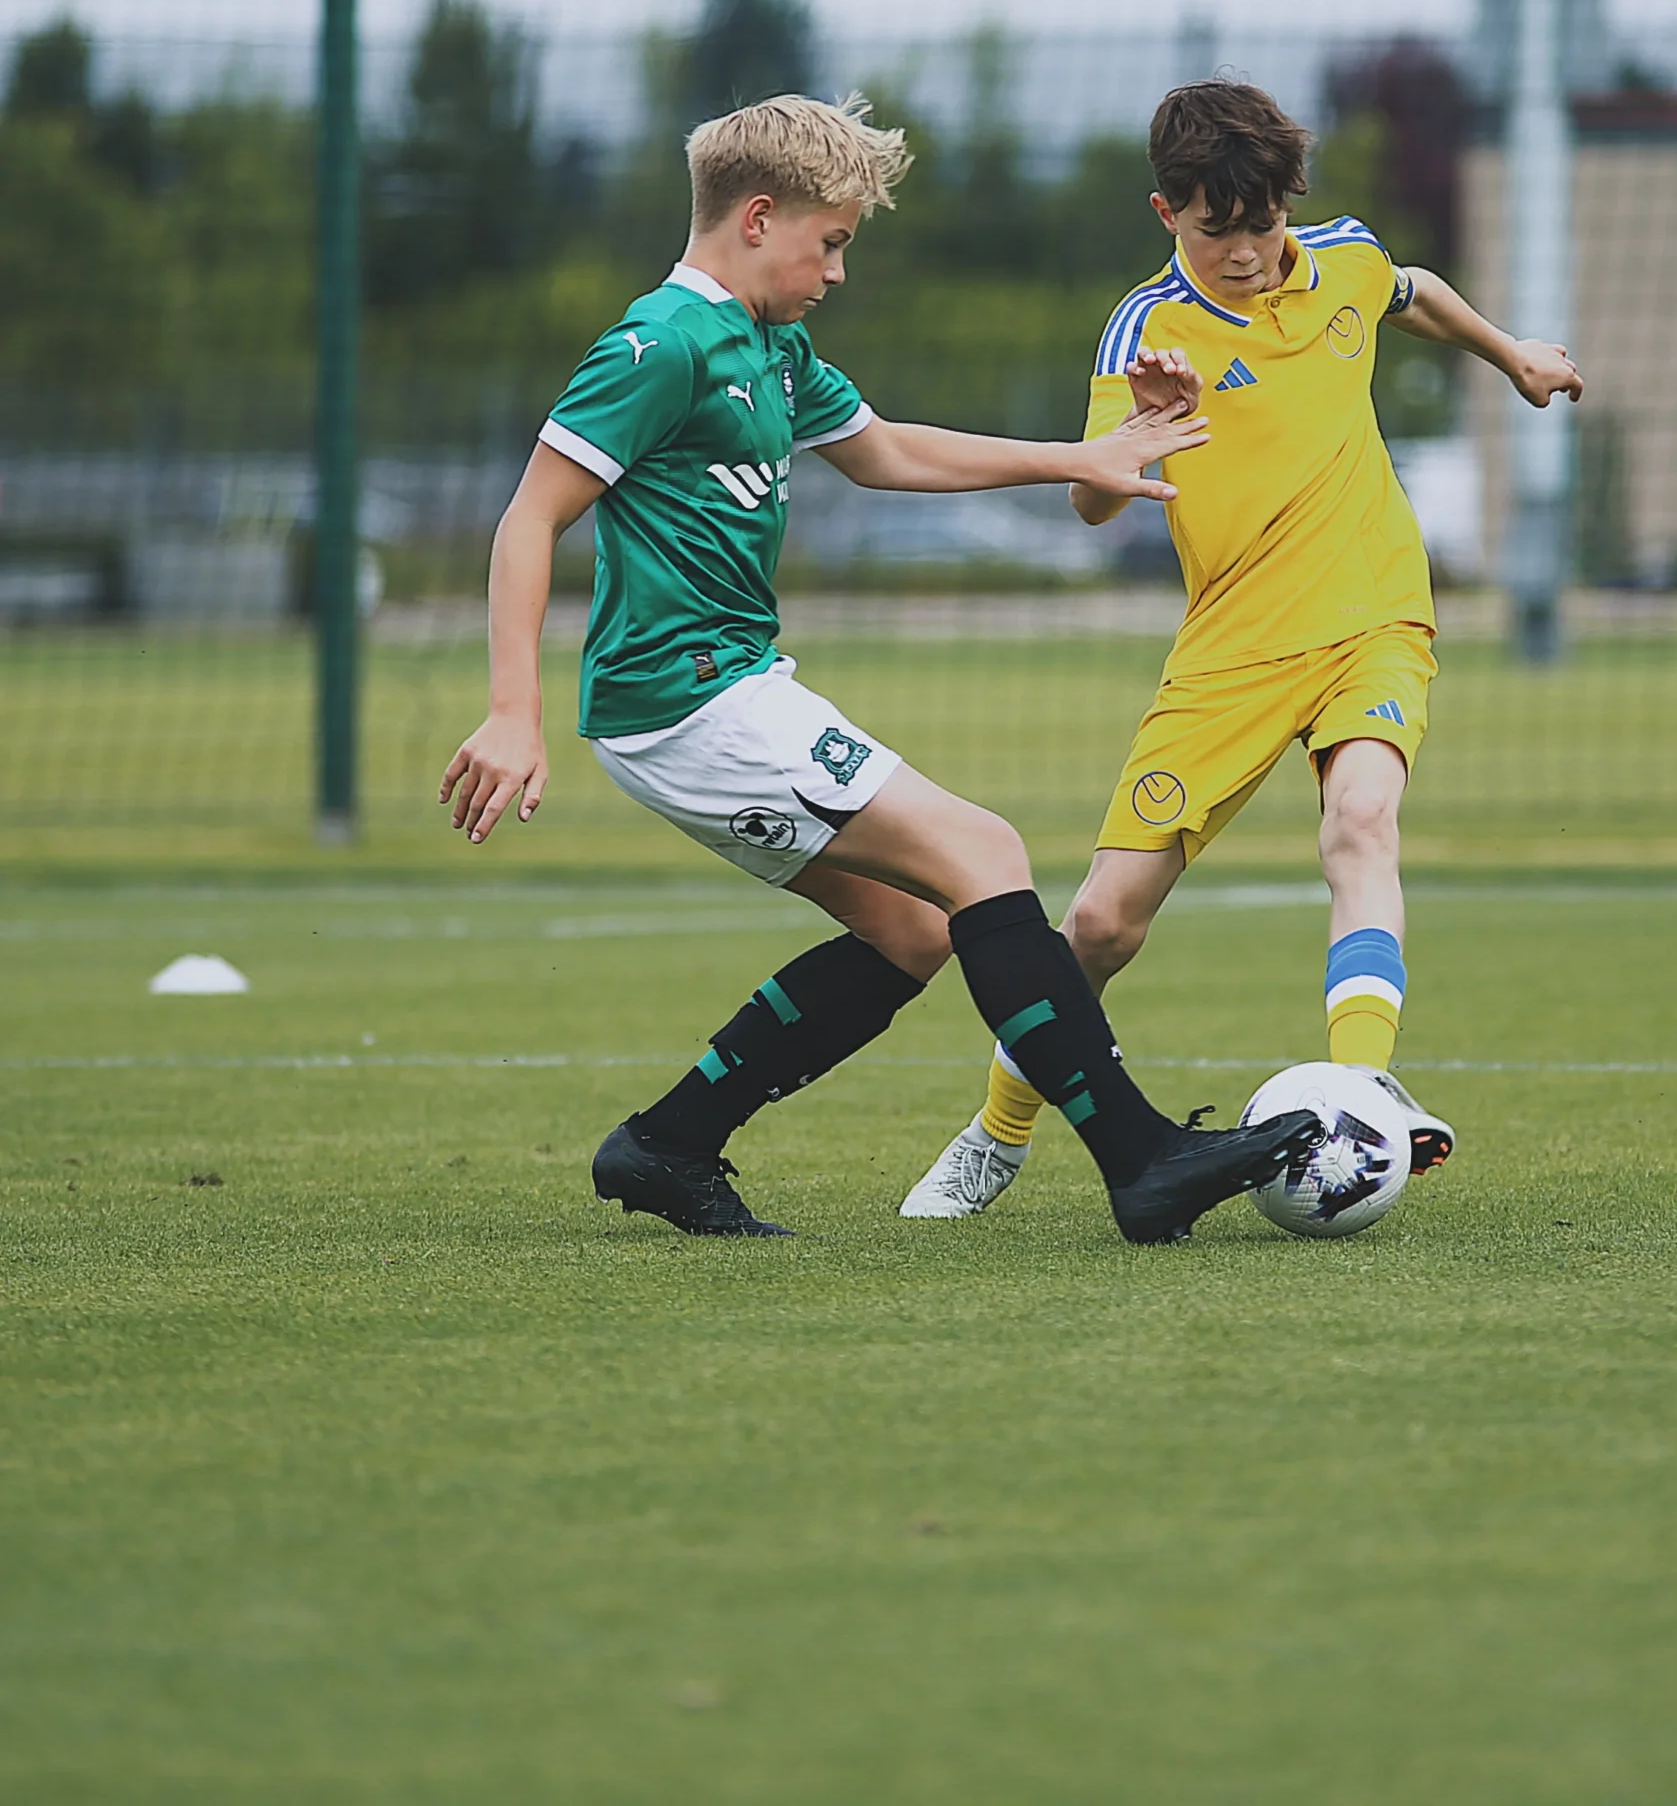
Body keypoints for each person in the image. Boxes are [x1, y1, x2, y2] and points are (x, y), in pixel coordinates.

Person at [441, 93, 1316, 1244]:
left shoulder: (770, 344)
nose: (838, 271)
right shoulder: (659, 346)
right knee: (983, 852)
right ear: (758, 218)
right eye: (833, 241)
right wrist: (513, 711)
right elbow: (527, 518)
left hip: (723, 691)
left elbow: (888, 449)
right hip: (690, 702)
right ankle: (1140, 1158)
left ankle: (667, 1144)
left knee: (914, 929)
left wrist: (1085, 455)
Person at [900, 77, 1583, 1219]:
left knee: (1359, 822)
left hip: (1374, 614)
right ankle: (996, 1132)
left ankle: (1361, 1090)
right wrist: (1144, 430)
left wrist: (1510, 354)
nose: (1249, 253)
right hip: (1230, 652)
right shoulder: (1142, 329)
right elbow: (1089, 504)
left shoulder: (1341, 259)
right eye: (1219, 230)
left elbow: (1410, 291)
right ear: (1166, 211)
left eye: (1264, 223)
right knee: (1101, 923)